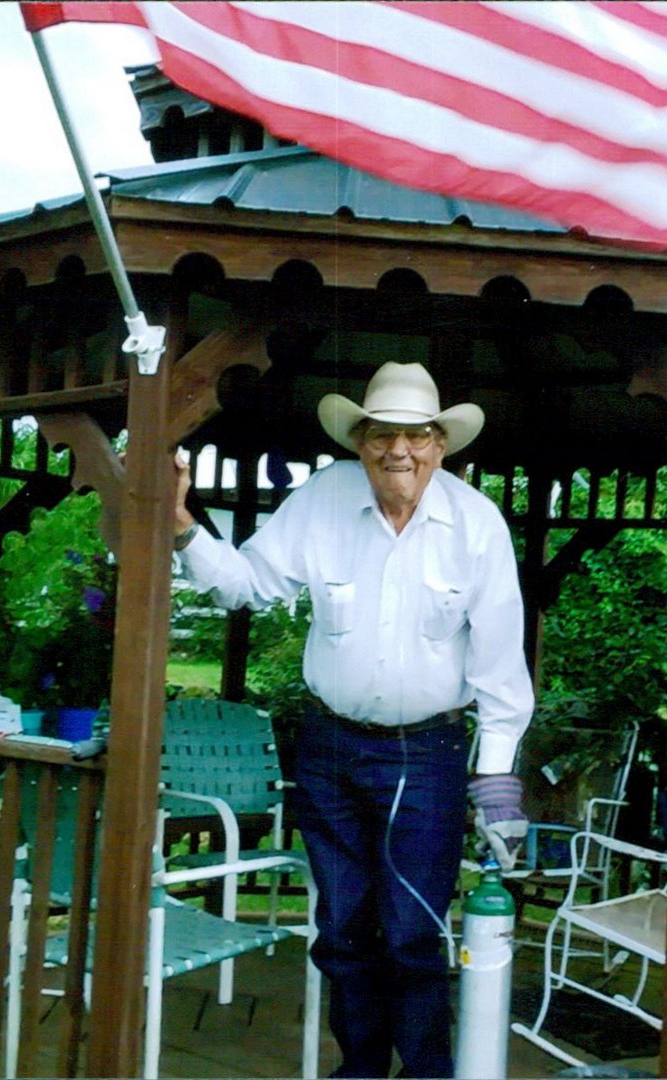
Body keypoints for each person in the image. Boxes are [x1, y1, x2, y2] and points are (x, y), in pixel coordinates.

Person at [172, 361, 533, 1078]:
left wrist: (495, 782)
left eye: (416, 435)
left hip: (427, 754)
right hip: (330, 748)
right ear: (359, 441)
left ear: (440, 445)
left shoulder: (476, 524)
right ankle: (360, 1069)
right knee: (340, 929)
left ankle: (426, 1072)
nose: (399, 451)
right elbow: (247, 584)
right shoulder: (322, 499)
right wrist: (179, 524)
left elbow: (500, 669)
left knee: (411, 932)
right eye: (381, 434)